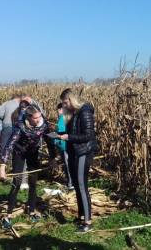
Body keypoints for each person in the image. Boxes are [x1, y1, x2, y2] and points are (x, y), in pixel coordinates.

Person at [0, 105, 55, 226]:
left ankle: (32, 210)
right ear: (28, 117)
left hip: (33, 152)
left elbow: (50, 141)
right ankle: (9, 214)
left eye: (40, 116)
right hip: (19, 152)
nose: (38, 119)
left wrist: (52, 158)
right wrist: (2, 166)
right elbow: (9, 145)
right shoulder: (20, 126)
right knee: (17, 182)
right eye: (35, 118)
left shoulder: (43, 124)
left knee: (33, 182)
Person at [58, 88, 99, 232]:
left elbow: (88, 135)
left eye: (65, 103)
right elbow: (73, 133)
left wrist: (68, 137)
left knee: (82, 186)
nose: (64, 106)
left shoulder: (85, 112)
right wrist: (61, 135)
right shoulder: (73, 114)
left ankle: (88, 222)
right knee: (76, 185)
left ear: (71, 99)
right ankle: (81, 216)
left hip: (84, 152)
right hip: (75, 152)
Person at [54, 103, 73, 189]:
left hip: (64, 145)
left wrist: (54, 137)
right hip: (65, 145)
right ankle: (70, 182)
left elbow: (61, 132)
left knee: (68, 165)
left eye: (58, 110)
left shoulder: (62, 118)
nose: (57, 112)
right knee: (68, 164)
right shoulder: (68, 117)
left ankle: (70, 183)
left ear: (61, 109)